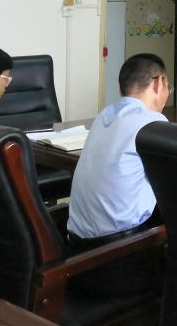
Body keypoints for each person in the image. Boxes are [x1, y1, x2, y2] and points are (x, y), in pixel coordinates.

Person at [67, 53, 170, 296]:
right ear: (158, 83)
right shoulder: (153, 122)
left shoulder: (104, 116)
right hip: (120, 263)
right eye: (168, 87)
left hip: (77, 256)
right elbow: (173, 181)